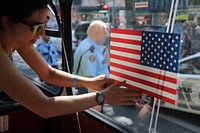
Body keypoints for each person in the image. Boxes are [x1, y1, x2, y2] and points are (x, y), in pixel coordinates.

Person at [0, 0, 142, 118]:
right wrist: (101, 97)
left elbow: (48, 73)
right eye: (37, 27)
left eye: (44, 24)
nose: (42, 33)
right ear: (7, 22)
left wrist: (89, 81)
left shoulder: (19, 38)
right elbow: (45, 107)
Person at [73, 20, 110, 95]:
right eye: (104, 33)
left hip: (94, 92)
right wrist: (96, 104)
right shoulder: (90, 51)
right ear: (96, 33)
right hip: (90, 93)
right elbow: (90, 79)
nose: (106, 36)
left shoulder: (91, 46)